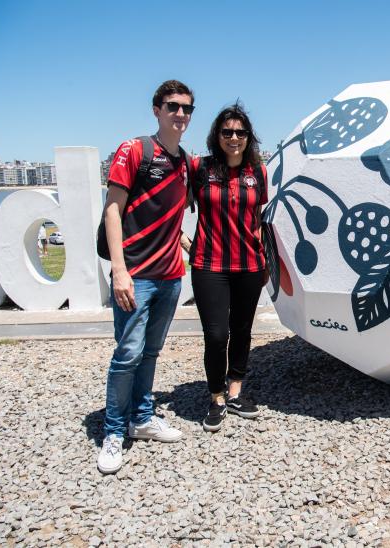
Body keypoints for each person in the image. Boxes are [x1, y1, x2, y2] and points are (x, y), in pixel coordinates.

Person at [96, 80, 197, 474]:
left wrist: (197, 254)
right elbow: (112, 211)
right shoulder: (135, 150)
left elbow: (174, 222)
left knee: (150, 352)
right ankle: (113, 431)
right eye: (172, 107)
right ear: (157, 109)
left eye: (187, 108)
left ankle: (142, 418)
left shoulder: (185, 163)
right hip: (135, 275)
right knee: (127, 354)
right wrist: (119, 270)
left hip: (172, 276)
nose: (180, 114)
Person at [183, 104, 268, 433]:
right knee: (217, 335)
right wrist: (186, 243)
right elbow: (173, 208)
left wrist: (265, 258)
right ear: (216, 136)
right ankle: (216, 396)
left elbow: (259, 219)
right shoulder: (200, 169)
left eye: (240, 133)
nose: (234, 138)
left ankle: (235, 391)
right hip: (209, 265)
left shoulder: (257, 172)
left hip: (249, 265)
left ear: (249, 138)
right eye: (227, 132)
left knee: (243, 330)